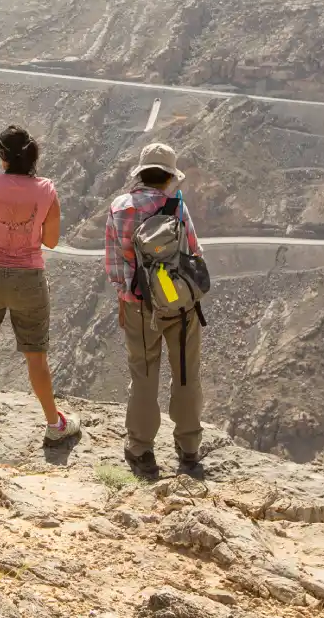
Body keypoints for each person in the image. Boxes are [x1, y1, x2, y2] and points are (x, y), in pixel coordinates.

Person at [0, 125, 77, 446]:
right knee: (36, 357)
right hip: (29, 278)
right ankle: (54, 423)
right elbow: (51, 241)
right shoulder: (47, 191)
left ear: (2, 156)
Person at [104, 142, 204, 478]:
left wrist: (125, 298)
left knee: (144, 375)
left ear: (142, 173)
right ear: (168, 176)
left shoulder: (119, 208)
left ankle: (141, 448)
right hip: (179, 304)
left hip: (139, 307)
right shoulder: (176, 206)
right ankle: (189, 448)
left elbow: (115, 265)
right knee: (186, 373)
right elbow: (193, 252)